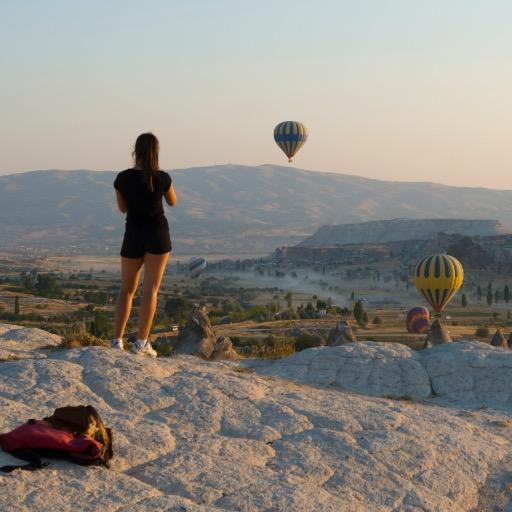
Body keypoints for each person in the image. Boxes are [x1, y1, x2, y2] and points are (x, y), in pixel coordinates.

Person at [111, 133, 177, 356]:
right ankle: (141, 343)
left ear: (135, 152)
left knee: (126, 291)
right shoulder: (162, 178)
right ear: (156, 152)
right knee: (150, 291)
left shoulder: (122, 179)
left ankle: (117, 341)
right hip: (158, 235)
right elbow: (173, 201)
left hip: (133, 235)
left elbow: (122, 209)